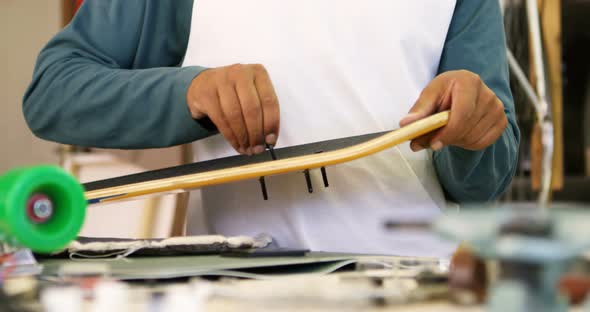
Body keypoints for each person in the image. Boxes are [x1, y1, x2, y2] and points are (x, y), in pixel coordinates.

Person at [23, 0, 520, 256]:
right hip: (234, 290)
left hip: (412, 287)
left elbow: (485, 181)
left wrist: (474, 133)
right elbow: (54, 91)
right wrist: (187, 94)